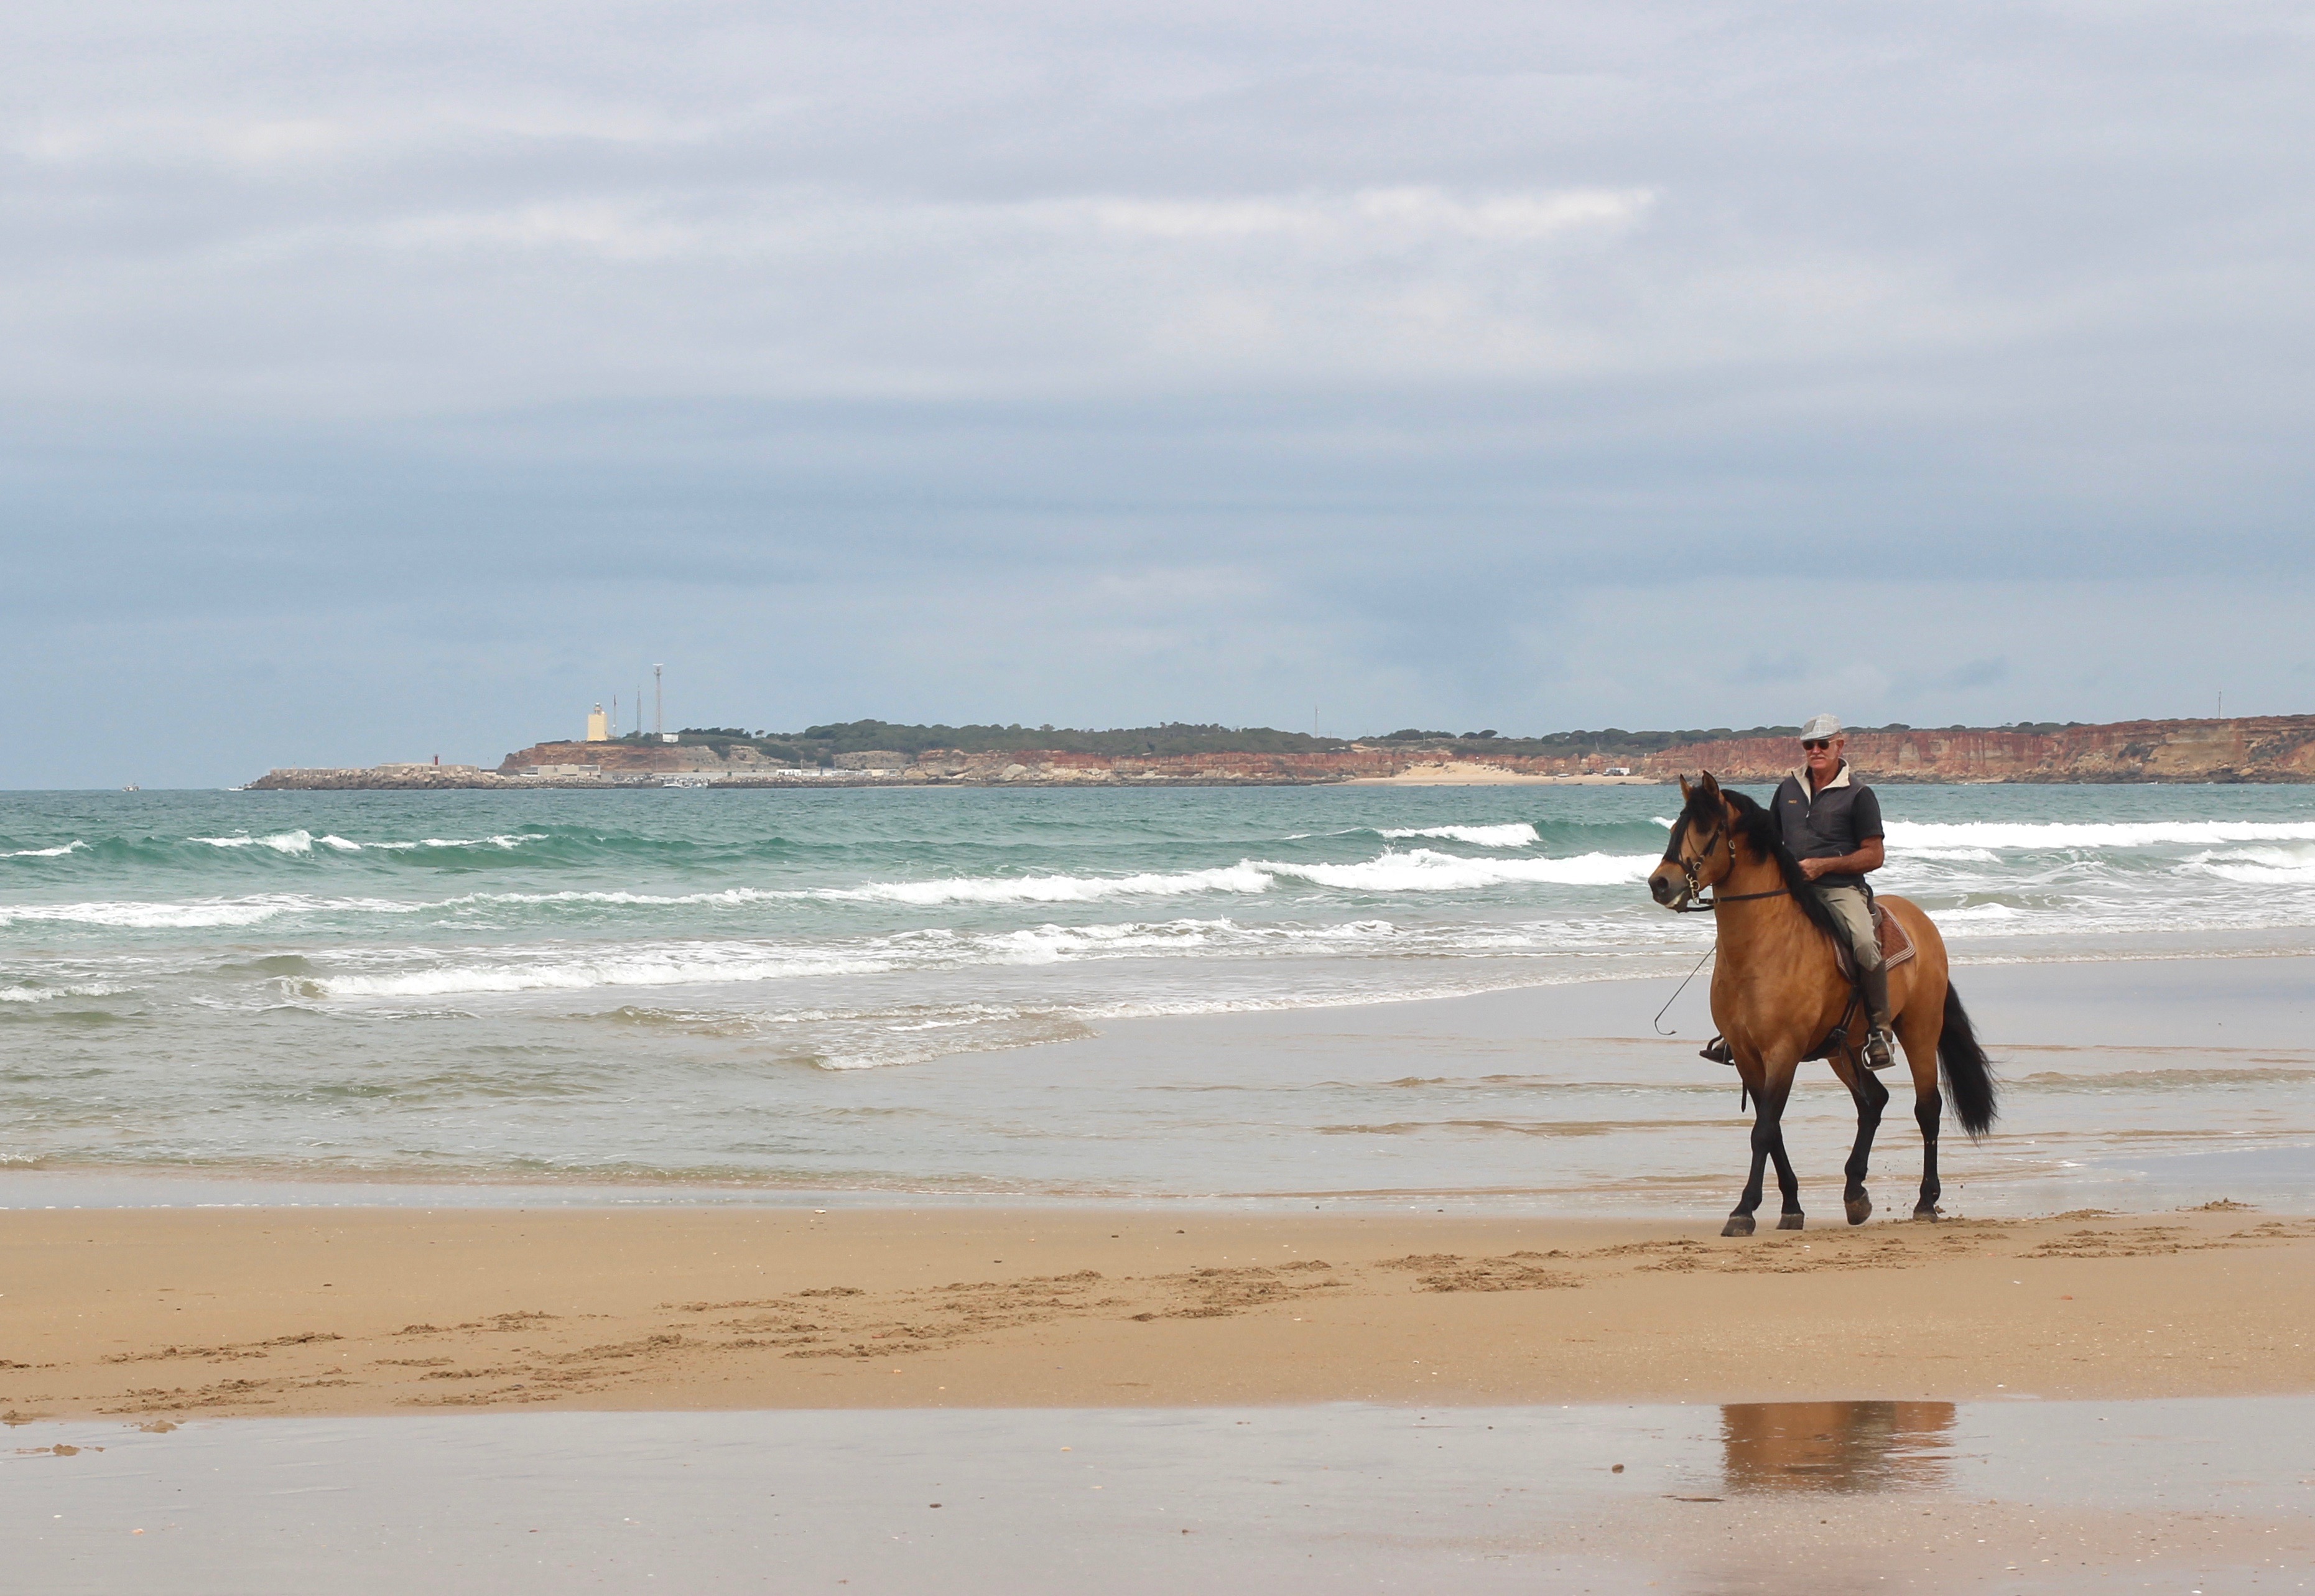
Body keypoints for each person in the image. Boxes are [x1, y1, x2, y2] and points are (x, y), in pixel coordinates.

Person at [1774, 714, 1895, 1069]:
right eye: (1808, 745)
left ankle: (1879, 1031)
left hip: (1840, 888)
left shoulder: (1859, 794)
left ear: (1840, 745)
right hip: (1791, 888)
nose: (1814, 751)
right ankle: (1739, 1028)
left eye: (1822, 744)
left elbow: (1875, 855)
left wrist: (1823, 866)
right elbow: (1769, 839)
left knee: (1862, 941)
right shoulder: (1788, 789)